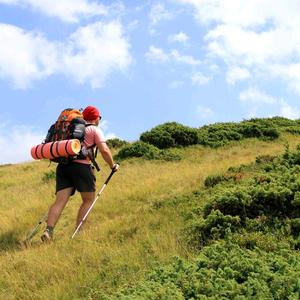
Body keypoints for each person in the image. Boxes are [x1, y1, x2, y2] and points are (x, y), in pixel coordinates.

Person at [41, 105, 119, 242]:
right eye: (99, 118)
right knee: (88, 200)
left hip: (63, 166)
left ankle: (49, 230)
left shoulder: (71, 128)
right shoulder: (94, 129)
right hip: (81, 167)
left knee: (60, 201)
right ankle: (78, 233)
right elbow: (104, 150)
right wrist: (113, 166)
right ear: (96, 118)